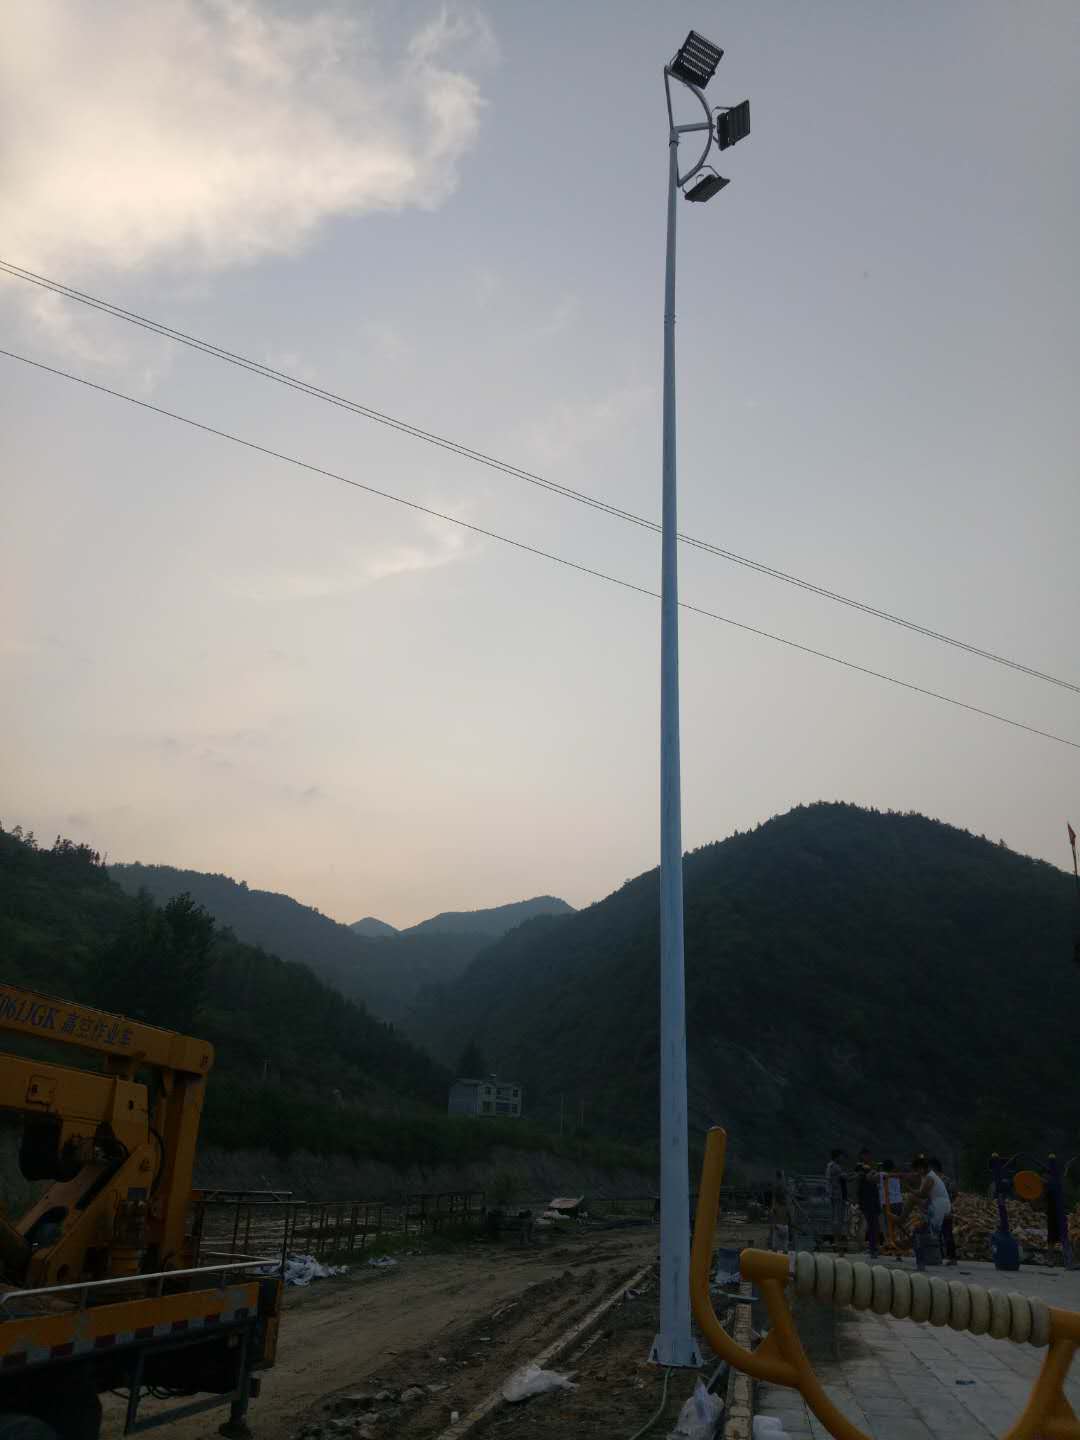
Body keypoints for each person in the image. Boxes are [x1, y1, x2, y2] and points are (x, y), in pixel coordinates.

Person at [912, 1155, 951, 1245]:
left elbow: (924, 1194)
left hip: (939, 1208)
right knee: (944, 1233)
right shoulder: (932, 1178)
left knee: (939, 1233)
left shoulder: (933, 1178)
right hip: (942, 1207)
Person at [930, 1155, 958, 1266]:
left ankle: (941, 1256)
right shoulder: (948, 1180)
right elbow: (955, 1193)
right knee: (947, 1234)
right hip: (946, 1209)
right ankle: (950, 1257)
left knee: (940, 1235)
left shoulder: (935, 1180)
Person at [855, 1149, 882, 1258]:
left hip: (874, 1198)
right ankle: (872, 1248)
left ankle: (874, 1247)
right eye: (865, 1155)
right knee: (870, 1224)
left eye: (868, 1155)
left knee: (874, 1224)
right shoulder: (859, 1168)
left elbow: (877, 1180)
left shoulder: (871, 1167)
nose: (868, 1157)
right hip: (866, 1199)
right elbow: (866, 1178)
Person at [825, 1149, 847, 1247]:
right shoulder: (835, 1167)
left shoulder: (829, 1165)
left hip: (833, 1194)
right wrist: (856, 1175)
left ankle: (836, 1240)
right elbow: (845, 1177)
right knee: (838, 1218)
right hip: (837, 1194)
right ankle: (837, 1240)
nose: (842, 1158)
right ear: (837, 1156)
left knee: (835, 1218)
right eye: (841, 1156)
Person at [768, 1186, 791, 1253]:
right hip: (785, 1226)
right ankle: (784, 1256)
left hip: (778, 1226)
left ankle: (774, 1257)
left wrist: (773, 1225)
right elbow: (789, 1217)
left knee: (775, 1245)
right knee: (785, 1245)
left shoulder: (776, 1206)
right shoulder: (786, 1207)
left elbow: (772, 1216)